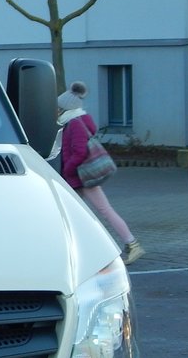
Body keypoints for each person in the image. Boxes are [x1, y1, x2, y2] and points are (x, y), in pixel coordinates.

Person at [51, 81, 145, 265]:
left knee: (103, 210)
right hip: (78, 177)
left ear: (65, 109)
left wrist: (67, 171)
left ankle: (131, 244)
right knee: (75, 214)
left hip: (80, 177)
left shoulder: (75, 124)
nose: (55, 111)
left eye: (57, 108)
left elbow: (79, 152)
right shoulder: (74, 122)